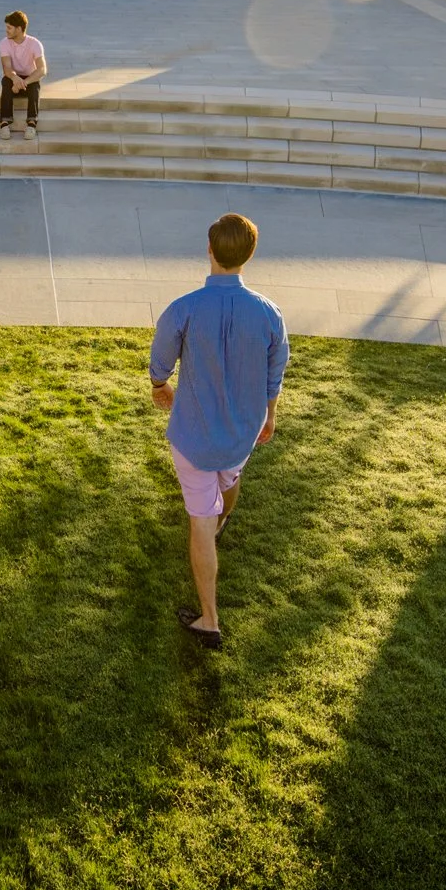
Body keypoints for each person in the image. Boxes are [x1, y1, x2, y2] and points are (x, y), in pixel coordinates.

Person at [148, 212, 289, 651]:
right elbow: (275, 373)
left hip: (193, 437)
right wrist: (270, 415)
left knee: (199, 520)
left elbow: (160, 362)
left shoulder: (184, 308)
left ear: (209, 251)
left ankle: (209, 620)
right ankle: (223, 516)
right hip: (241, 435)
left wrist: (159, 385)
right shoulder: (269, 313)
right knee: (229, 477)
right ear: (249, 256)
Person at [0, 10, 47, 140]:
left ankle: (31, 123)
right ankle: (4, 123)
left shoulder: (35, 43)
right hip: (13, 77)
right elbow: (6, 68)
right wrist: (15, 79)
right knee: (6, 82)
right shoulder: (4, 43)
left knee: (36, 85)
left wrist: (24, 83)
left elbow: (42, 70)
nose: (6, 30)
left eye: (9, 28)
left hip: (29, 80)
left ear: (19, 29)